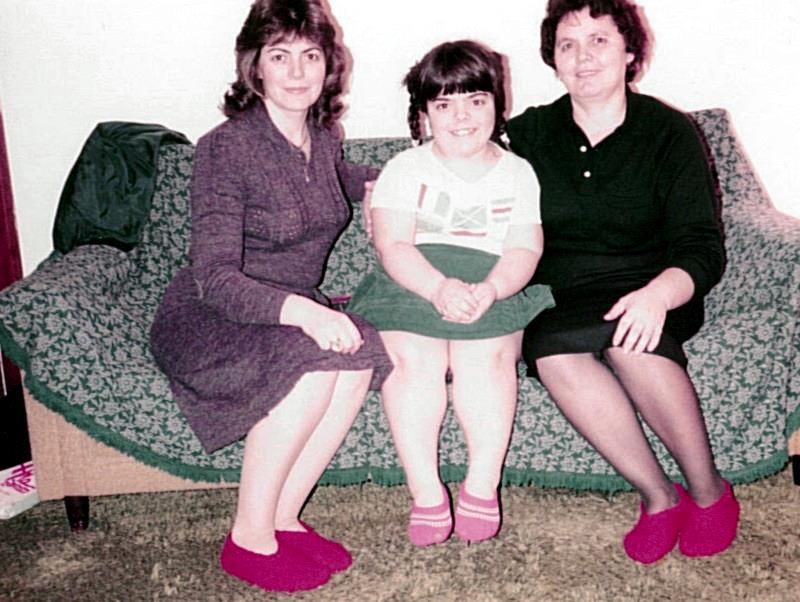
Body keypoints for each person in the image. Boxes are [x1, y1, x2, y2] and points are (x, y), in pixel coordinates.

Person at [148, 0, 392, 592]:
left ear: (330, 65)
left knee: (361, 354)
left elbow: (338, 179)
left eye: (310, 55)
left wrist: (400, 181)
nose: (297, 71)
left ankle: (284, 519)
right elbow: (214, 275)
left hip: (283, 312)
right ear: (254, 67)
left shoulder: (323, 137)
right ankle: (248, 538)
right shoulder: (225, 148)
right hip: (210, 314)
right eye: (280, 56)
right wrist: (304, 312)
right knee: (311, 362)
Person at [506, 0, 739, 564]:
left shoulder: (669, 132)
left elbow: (702, 246)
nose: (583, 57)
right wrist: (387, 191)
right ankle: (659, 498)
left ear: (630, 51)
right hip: (564, 294)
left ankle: (709, 492)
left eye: (599, 41)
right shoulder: (529, 133)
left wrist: (658, 295)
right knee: (552, 350)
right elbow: (453, 154)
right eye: (567, 45)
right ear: (553, 59)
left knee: (630, 342)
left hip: (655, 286)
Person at [348, 40, 554, 547]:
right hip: (413, 278)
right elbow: (393, 245)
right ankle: (426, 492)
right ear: (424, 114)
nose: (461, 117)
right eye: (444, 104)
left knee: (485, 360)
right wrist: (437, 287)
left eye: (475, 101)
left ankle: (482, 484)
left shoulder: (518, 172)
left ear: (497, 104)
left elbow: (525, 248)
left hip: (491, 279)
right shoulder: (404, 168)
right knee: (413, 362)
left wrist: (492, 289)